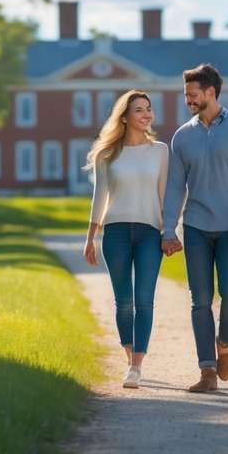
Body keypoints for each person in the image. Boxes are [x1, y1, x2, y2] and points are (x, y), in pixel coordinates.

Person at [161, 63, 228, 392]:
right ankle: (207, 371)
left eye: (192, 94)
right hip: (197, 228)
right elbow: (175, 186)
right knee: (200, 300)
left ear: (210, 93)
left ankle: (224, 343)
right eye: (186, 94)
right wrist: (168, 228)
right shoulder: (182, 137)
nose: (188, 99)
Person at [83, 90, 169, 390]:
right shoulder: (107, 155)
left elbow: (164, 195)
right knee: (124, 302)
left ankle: (135, 367)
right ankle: (129, 356)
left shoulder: (160, 151)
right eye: (139, 110)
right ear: (125, 117)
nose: (146, 114)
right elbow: (99, 198)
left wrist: (170, 231)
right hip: (115, 232)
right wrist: (90, 237)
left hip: (149, 233)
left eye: (149, 109)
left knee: (144, 300)